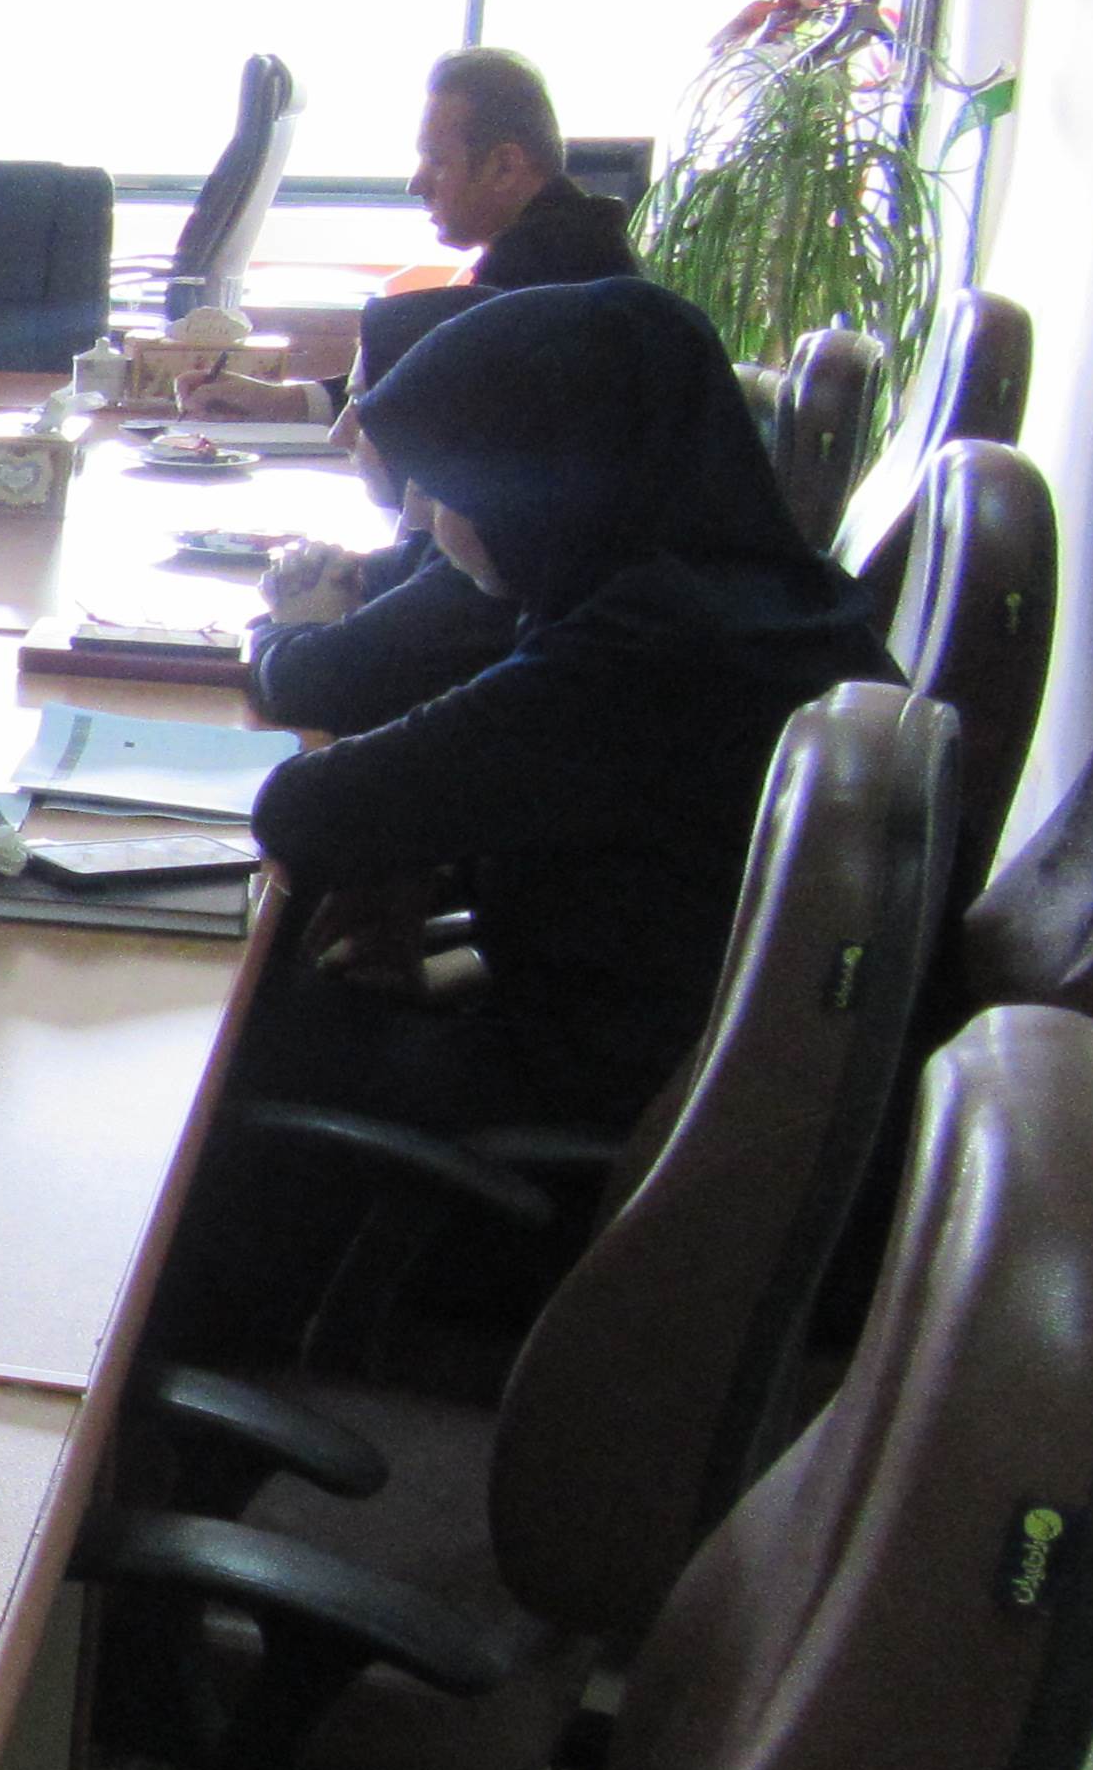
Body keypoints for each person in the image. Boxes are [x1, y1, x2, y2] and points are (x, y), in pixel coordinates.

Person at [229, 276, 895, 1140]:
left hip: (605, 1099)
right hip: (673, 1057)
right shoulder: (758, 591)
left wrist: (406, 843)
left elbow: (302, 812)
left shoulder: (637, 653)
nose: (427, 520)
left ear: (536, 487)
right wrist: (416, 855)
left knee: (224, 1041)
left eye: (447, 487)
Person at [195, 47, 642, 423]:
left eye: (437, 161)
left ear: (505, 167)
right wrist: (278, 401)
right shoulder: (562, 242)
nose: (416, 184)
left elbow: (428, 406)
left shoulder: (547, 274)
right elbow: (418, 385)